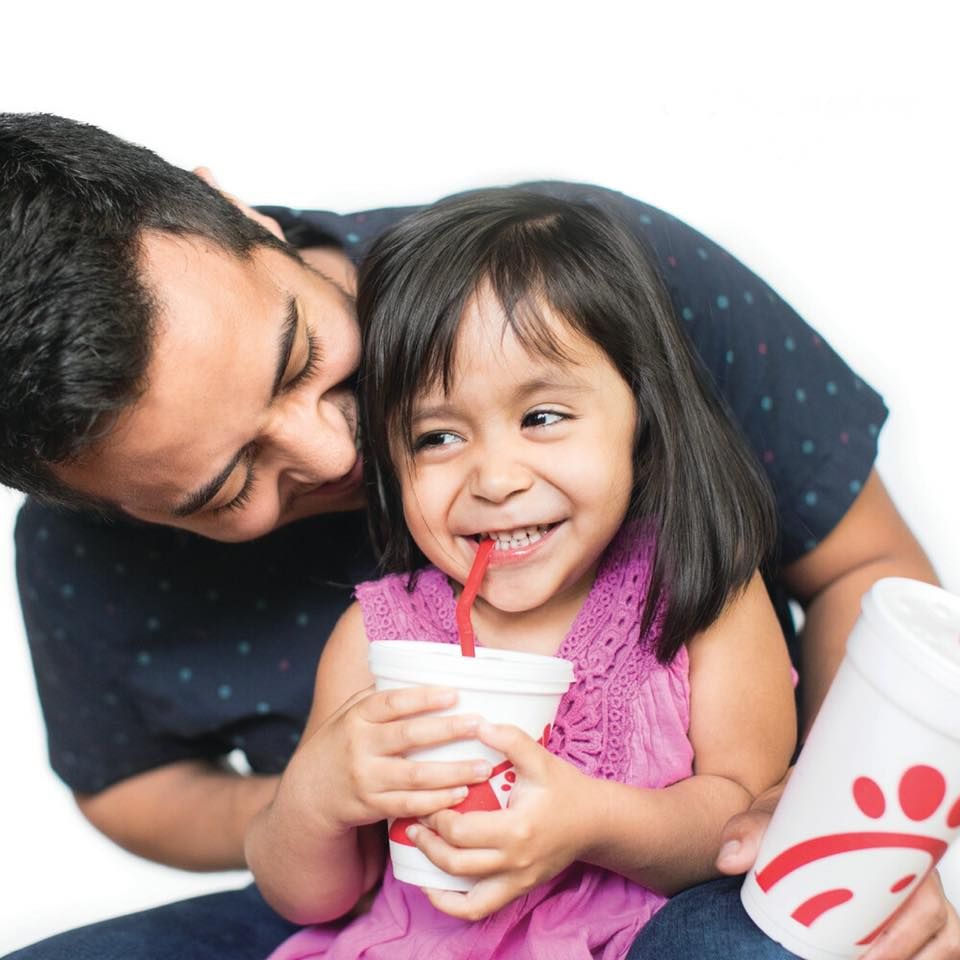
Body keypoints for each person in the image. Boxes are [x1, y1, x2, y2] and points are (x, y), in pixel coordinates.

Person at [0, 113, 949, 959]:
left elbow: (767, 754)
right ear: (105, 505)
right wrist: (324, 800)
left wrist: (849, 844)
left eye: (302, 360)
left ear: (238, 217)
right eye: (226, 483)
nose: (338, 452)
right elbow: (162, 805)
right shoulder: (370, 633)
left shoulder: (581, 282)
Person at [245, 188, 799, 959]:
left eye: (542, 417)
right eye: (437, 436)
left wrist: (590, 821)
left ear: (640, 415)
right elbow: (315, 897)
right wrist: (313, 799)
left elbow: (741, 825)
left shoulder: (704, 598)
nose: (495, 478)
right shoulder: (375, 640)